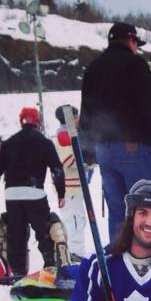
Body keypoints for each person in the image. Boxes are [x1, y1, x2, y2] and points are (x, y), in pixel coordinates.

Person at [79, 22, 151, 240]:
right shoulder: (135, 65)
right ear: (131, 40)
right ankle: (148, 259)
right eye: (136, 43)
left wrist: (86, 150)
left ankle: (117, 259)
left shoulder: (94, 67)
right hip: (133, 147)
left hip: (104, 150)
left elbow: (86, 110)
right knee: (147, 207)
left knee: (118, 211)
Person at [0, 107, 65, 276]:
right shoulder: (44, 143)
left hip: (12, 195)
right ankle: (51, 266)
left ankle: (16, 271)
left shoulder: (9, 143)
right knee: (45, 232)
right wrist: (61, 192)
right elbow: (57, 169)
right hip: (34, 193)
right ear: (38, 122)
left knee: (16, 235)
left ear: (21, 121)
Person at [52, 105, 88, 259]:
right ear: (70, 118)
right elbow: (68, 159)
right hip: (70, 188)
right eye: (76, 116)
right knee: (74, 223)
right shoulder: (64, 136)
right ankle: (75, 255)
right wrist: (86, 159)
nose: (78, 119)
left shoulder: (67, 134)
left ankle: (74, 254)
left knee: (76, 221)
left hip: (71, 188)